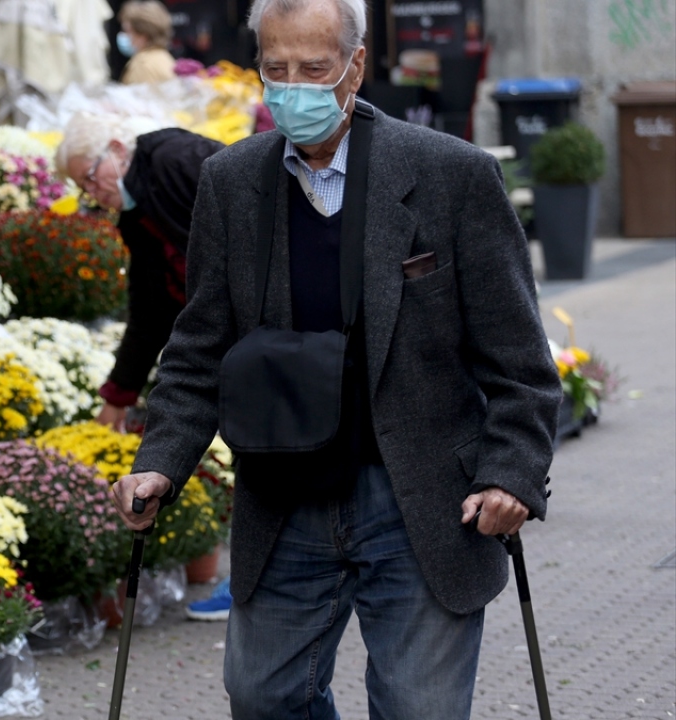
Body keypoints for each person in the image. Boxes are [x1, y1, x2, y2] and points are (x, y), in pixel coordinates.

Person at [110, 0, 562, 717]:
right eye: (275, 69)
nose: (293, 87)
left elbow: (519, 362)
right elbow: (199, 349)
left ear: (355, 65)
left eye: (313, 68)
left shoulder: (452, 175)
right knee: (263, 697)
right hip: (284, 493)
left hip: (421, 500)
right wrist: (160, 459)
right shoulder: (231, 182)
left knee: (419, 709)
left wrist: (511, 472)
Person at [56, 115, 223, 433]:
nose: (93, 193)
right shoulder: (134, 220)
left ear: (118, 149)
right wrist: (119, 395)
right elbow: (150, 309)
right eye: (83, 188)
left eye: (91, 176)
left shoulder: (174, 158)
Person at [117, 0, 176, 85]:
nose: (124, 35)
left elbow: (140, 97)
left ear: (143, 35)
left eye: (127, 31)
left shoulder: (142, 65)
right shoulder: (163, 56)